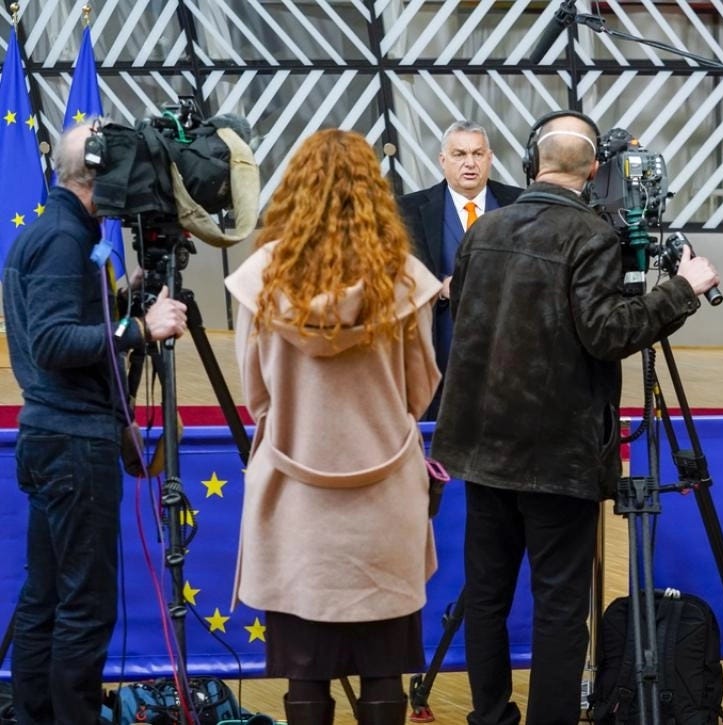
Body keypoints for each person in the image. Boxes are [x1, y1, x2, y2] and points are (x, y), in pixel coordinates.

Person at [430, 110, 720, 725]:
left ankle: (489, 717)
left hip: (483, 448)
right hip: (556, 457)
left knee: (486, 598)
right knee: (560, 608)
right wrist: (682, 290)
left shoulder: (485, 230)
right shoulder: (592, 237)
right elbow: (608, 332)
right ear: (592, 172)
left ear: (531, 163)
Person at [224, 129, 442, 725]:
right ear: (375, 194)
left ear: (295, 189)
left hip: (294, 499)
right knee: (384, 667)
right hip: (384, 500)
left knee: (305, 668)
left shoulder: (261, 280)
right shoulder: (404, 280)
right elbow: (421, 389)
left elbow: (255, 394)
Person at [3, 122, 188, 724]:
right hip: (72, 445)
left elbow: (69, 323)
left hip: (55, 437)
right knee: (84, 607)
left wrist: (123, 299)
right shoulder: (63, 238)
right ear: (99, 173)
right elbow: (55, 341)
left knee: (46, 599)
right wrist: (139, 328)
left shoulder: (60, 232)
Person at [397, 120, 523, 419]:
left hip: (511, 354)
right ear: (443, 160)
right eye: (459, 154)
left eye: (477, 154)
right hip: (441, 353)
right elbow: (396, 276)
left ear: (490, 158)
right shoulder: (407, 210)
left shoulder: (520, 204)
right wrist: (438, 288)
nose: (470, 163)